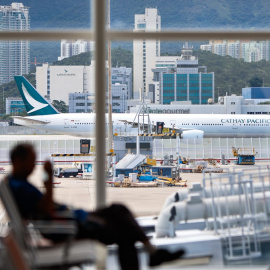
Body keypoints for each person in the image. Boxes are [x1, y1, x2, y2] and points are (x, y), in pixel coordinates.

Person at [7, 143, 185, 270]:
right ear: (17, 160)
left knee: (119, 210)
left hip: (70, 218)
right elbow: (46, 210)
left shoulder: (18, 183)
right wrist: (49, 180)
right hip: (68, 225)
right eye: (30, 160)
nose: (33, 165)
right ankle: (152, 253)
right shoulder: (18, 186)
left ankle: (152, 252)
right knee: (123, 230)